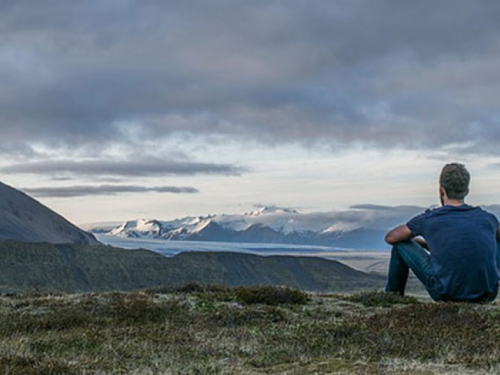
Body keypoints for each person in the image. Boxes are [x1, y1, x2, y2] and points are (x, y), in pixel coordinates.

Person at [385, 163, 500, 302]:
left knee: (400, 246)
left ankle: (392, 299)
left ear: (441, 190)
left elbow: (391, 238)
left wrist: (416, 241)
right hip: (488, 294)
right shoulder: (488, 219)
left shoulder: (429, 219)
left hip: (445, 293)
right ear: (467, 190)